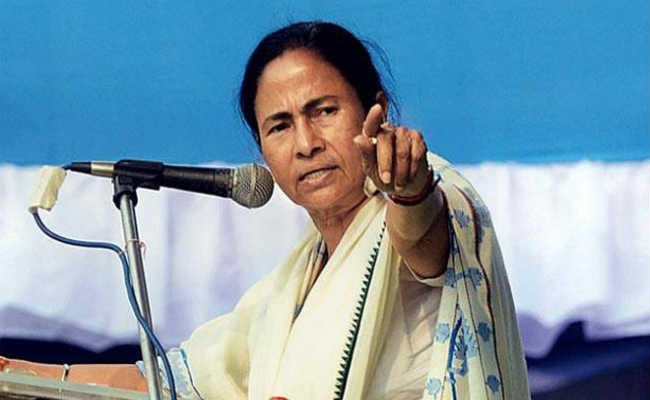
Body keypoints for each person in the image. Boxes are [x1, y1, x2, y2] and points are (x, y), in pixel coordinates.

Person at [0, 21, 529, 399]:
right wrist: (14, 373)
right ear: (262, 151)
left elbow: (423, 241)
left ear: (376, 110)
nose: (306, 143)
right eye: (279, 125)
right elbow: (172, 383)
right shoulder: (283, 295)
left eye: (324, 111)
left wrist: (411, 191)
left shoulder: (429, 195)